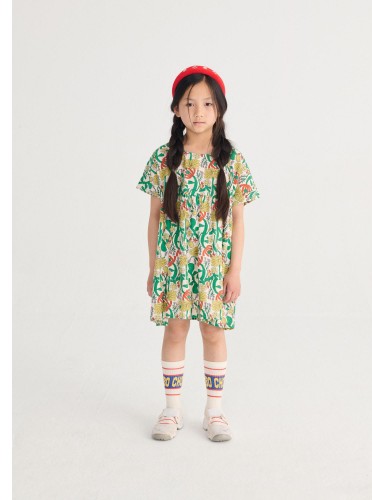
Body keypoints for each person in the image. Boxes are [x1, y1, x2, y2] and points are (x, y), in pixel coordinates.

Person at [136, 65, 260, 442]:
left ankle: (214, 412)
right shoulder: (164, 159)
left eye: (207, 104)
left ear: (219, 109)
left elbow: (238, 220)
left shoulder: (231, 161)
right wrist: (154, 268)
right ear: (176, 109)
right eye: (190, 104)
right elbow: (154, 217)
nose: (199, 112)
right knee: (175, 328)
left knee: (213, 331)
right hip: (174, 264)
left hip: (214, 266)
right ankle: (171, 410)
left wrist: (234, 271)